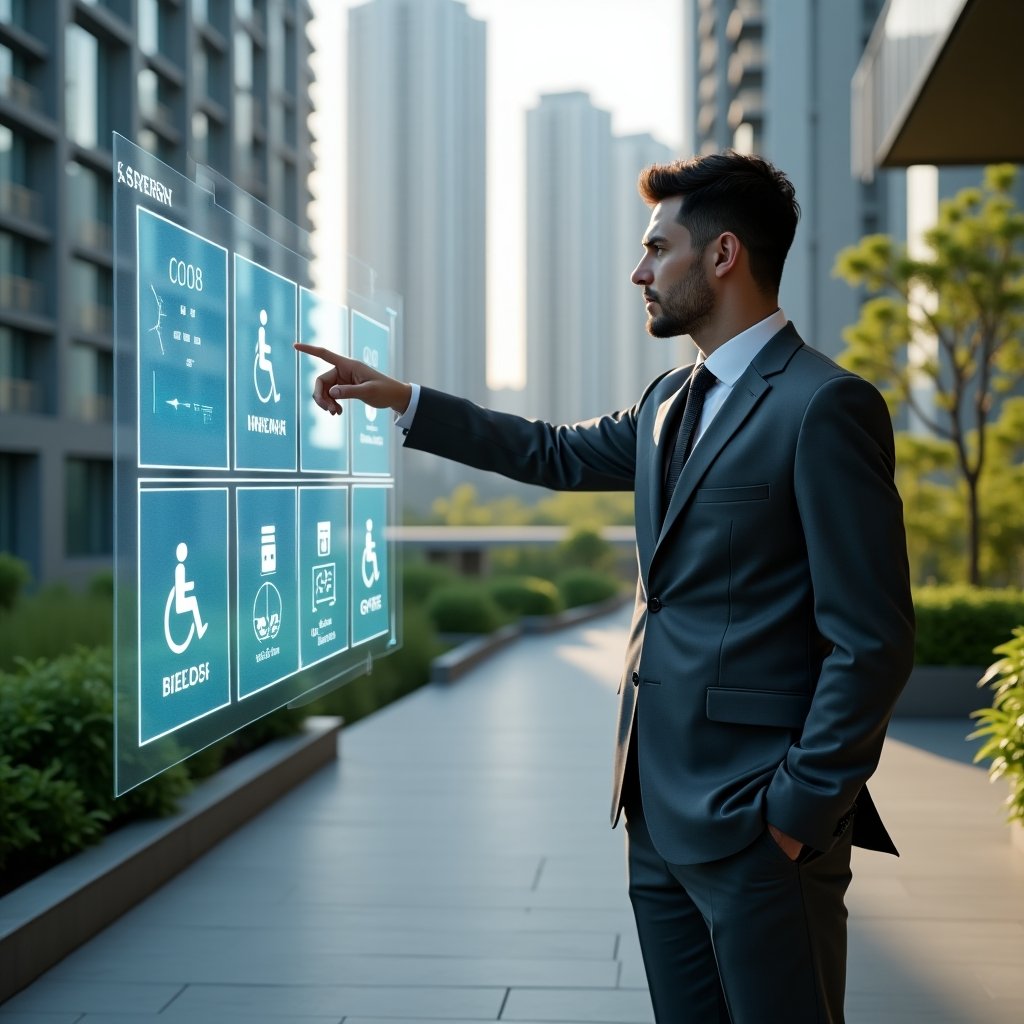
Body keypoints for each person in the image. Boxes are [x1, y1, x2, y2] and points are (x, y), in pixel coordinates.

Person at [295, 151, 915, 1023]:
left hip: (759, 825)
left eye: (658, 249)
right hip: (653, 811)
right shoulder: (667, 400)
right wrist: (408, 402)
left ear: (724, 255)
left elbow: (873, 639)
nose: (640, 271)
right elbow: (550, 449)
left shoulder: (824, 405)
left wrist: (798, 813)